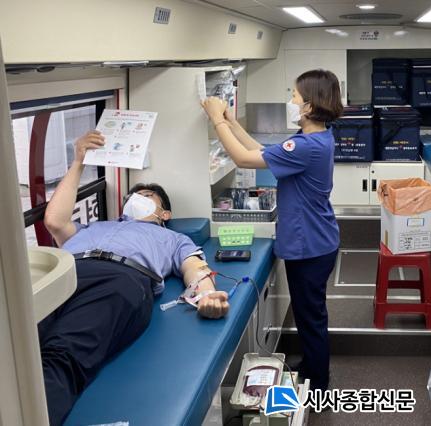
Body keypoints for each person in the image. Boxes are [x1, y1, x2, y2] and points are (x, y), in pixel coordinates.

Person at [40, 130, 229, 425]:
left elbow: (194, 268)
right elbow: (54, 221)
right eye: (133, 196)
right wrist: (78, 161)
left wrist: (206, 295)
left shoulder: (173, 239)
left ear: (164, 214)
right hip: (64, 273)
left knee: (61, 354)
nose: (136, 199)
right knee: (14, 350)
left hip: (119, 278)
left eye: (147, 196)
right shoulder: (94, 227)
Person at [201, 69, 343, 392]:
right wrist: (231, 121)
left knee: (311, 317)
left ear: (308, 106)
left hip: (310, 246)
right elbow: (260, 152)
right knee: (308, 314)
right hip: (317, 240)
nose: (290, 101)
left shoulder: (306, 146)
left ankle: (318, 383)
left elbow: (242, 159)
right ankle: (311, 365)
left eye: (294, 96)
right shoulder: (315, 138)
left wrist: (216, 119)